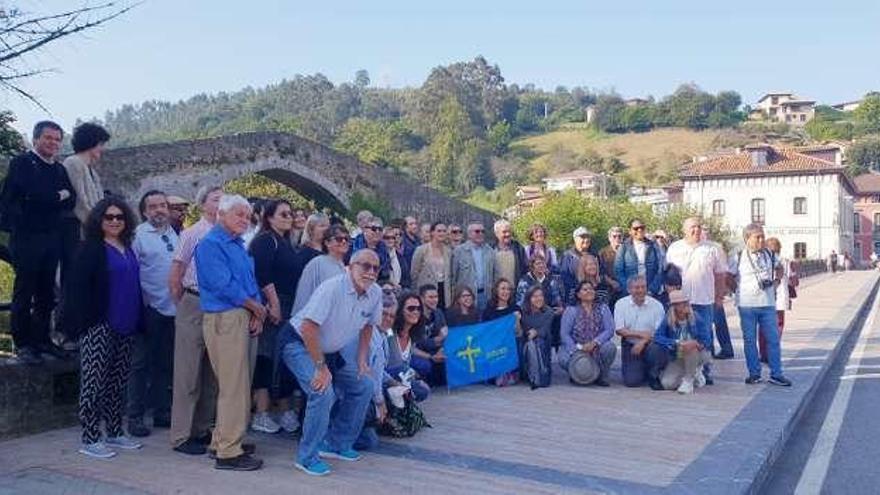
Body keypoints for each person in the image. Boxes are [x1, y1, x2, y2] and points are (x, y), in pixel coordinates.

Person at [279, 249, 382, 477]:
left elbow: (368, 325)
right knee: (322, 391)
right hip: (299, 344)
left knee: (364, 385)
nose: (371, 272)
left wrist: (362, 359)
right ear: (350, 266)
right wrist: (320, 367)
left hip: (331, 352)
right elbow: (308, 327)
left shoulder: (375, 293)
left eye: (376, 268)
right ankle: (306, 457)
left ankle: (336, 443)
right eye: (365, 266)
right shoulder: (332, 288)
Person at [64, 197, 143, 458]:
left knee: (118, 382)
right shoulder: (90, 250)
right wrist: (87, 322)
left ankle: (115, 432)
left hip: (127, 323)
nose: (114, 221)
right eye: (109, 217)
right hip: (100, 325)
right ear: (99, 220)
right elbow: (77, 290)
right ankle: (89, 437)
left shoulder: (127, 247)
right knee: (93, 382)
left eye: (119, 217)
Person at [194, 194, 266, 471]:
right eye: (239, 214)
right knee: (233, 387)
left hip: (240, 316)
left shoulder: (237, 245)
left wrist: (255, 310)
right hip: (225, 317)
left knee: (235, 384)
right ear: (221, 214)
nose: (245, 220)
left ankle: (222, 440)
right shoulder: (211, 245)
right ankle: (228, 452)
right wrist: (255, 307)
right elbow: (222, 284)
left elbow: (249, 281)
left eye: (247, 216)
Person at [1, 121, 76, 364]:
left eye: (57, 139)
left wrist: (47, 198)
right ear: (36, 140)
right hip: (26, 237)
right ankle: (23, 343)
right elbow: (26, 197)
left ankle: (43, 339)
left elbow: (70, 199)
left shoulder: (58, 169)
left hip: (50, 236)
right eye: (48, 138)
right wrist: (54, 197)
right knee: (25, 290)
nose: (53, 143)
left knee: (46, 292)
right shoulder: (23, 163)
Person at [167, 185, 223, 456]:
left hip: (219, 305)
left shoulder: (228, 234)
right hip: (194, 300)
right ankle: (181, 435)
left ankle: (202, 429)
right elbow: (176, 270)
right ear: (203, 205)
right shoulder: (192, 234)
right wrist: (183, 301)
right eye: (216, 198)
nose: (221, 202)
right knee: (188, 371)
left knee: (211, 373)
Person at [248, 200, 303, 435]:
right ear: (269, 217)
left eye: (290, 214)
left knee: (280, 358)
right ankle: (261, 413)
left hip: (288, 304)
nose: (288, 217)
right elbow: (262, 272)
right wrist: (274, 303)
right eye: (283, 214)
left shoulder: (286, 242)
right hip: (274, 304)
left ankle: (280, 409)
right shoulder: (264, 241)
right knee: (266, 356)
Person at [127, 190, 179, 438]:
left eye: (163, 205)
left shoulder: (175, 233)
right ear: (145, 211)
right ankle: (134, 416)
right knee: (140, 364)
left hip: (174, 309)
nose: (159, 210)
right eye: (153, 206)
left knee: (165, 364)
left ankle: (162, 412)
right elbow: (131, 271)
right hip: (150, 309)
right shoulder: (138, 236)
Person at [664, 217, 729, 383]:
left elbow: (720, 275)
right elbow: (668, 273)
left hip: (704, 301)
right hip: (680, 302)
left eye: (699, 227)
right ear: (684, 230)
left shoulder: (713, 248)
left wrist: (719, 297)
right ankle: (682, 370)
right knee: (681, 336)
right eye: (692, 227)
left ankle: (704, 372)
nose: (696, 230)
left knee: (705, 337)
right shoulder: (674, 248)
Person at [733, 224, 792, 387]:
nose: (761, 240)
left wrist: (776, 281)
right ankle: (754, 373)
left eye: (762, 236)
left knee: (773, 340)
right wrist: (736, 291)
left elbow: (780, 268)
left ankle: (776, 374)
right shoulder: (738, 256)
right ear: (747, 238)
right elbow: (728, 276)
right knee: (750, 341)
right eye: (757, 237)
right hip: (746, 305)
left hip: (767, 304)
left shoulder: (770, 254)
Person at [61, 122, 110, 286]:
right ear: (92, 143)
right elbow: (80, 202)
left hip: (92, 232)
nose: (102, 149)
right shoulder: (73, 163)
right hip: (80, 234)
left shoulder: (92, 171)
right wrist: (99, 225)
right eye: (101, 144)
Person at [646, 290, 712, 394]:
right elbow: (657, 336)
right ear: (674, 306)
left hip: (699, 353)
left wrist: (695, 343)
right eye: (680, 303)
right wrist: (677, 342)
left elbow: (707, 340)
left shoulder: (696, 317)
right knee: (667, 384)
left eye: (685, 302)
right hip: (678, 356)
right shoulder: (668, 319)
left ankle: (688, 381)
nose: (684, 305)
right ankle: (693, 373)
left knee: (690, 347)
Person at [559, 281, 616, 387]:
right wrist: (578, 348)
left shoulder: (603, 308)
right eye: (585, 289)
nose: (589, 291)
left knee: (610, 347)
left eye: (591, 289)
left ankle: (602, 375)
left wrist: (594, 343)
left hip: (597, 347)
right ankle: (577, 373)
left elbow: (609, 329)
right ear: (578, 294)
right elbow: (564, 334)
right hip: (577, 347)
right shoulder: (571, 310)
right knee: (563, 357)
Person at [614, 275, 665, 387]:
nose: (640, 290)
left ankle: (654, 373)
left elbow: (659, 333)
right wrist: (641, 334)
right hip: (630, 344)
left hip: (651, 343)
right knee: (632, 382)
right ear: (629, 290)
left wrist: (643, 341)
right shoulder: (620, 304)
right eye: (636, 288)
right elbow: (619, 330)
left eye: (643, 287)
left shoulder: (657, 306)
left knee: (657, 348)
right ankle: (641, 368)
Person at [292, 224, 350, 316]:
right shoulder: (317, 263)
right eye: (339, 239)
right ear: (327, 242)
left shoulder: (347, 268)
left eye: (347, 239)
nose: (343, 242)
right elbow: (303, 295)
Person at [760, 237, 795, 363]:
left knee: (764, 326)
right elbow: (793, 279)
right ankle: (773, 351)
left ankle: (764, 353)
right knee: (778, 325)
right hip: (780, 297)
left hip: (766, 297)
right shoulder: (785, 261)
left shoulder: (762, 260)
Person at [614, 219, 665, 301]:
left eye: (642, 227)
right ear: (630, 231)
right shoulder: (624, 247)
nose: (639, 230)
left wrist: (652, 290)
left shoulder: (653, 246)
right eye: (636, 228)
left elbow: (659, 269)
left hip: (650, 292)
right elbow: (618, 271)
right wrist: (629, 289)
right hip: (629, 294)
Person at [482, 278, 520, 386]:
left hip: (511, 346)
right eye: (503, 289)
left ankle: (507, 373)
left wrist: (517, 320)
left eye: (508, 289)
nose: (506, 292)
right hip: (494, 347)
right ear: (496, 291)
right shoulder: (489, 311)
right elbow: (485, 333)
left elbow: (519, 333)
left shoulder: (515, 308)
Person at [451, 222, 495, 312]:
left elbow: (495, 274)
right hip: (465, 298)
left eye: (483, 231)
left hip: (485, 295)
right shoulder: (459, 251)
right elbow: (452, 277)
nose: (481, 234)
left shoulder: (490, 251)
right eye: (477, 231)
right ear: (469, 234)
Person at [519, 286, 555, 389]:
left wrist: (536, 332)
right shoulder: (523, 312)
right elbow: (522, 331)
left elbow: (545, 330)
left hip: (543, 343)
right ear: (528, 299)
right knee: (528, 345)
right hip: (526, 341)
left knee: (538, 341)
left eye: (540, 296)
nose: (538, 298)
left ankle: (540, 374)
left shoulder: (549, 312)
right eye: (534, 296)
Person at [410, 222, 453, 309]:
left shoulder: (448, 252)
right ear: (432, 232)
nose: (442, 233)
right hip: (427, 291)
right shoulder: (421, 250)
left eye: (444, 231)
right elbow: (414, 274)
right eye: (439, 231)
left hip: (444, 290)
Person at [349, 216, 391, 283]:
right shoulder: (352, 246)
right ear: (365, 230)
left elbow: (385, 274)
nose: (377, 232)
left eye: (380, 229)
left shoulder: (384, 249)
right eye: (374, 229)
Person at [560, 226, 595, 306]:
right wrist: (580, 290)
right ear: (575, 239)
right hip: (574, 297)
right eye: (582, 237)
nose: (586, 240)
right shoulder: (568, 256)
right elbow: (565, 278)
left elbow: (600, 275)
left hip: (593, 295)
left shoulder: (594, 255)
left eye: (588, 237)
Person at [492, 219, 528, 287]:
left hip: (515, 292)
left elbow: (525, 269)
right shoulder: (491, 250)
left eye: (509, 231)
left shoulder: (519, 249)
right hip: (496, 293)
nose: (508, 234)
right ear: (496, 233)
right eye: (504, 232)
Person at [598, 226, 623, 305]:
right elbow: (600, 272)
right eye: (614, 236)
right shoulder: (603, 253)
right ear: (609, 238)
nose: (617, 238)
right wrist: (612, 282)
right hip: (608, 290)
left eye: (619, 236)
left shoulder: (627, 251)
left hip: (625, 288)